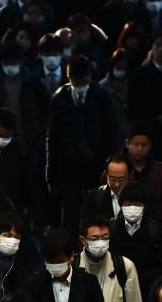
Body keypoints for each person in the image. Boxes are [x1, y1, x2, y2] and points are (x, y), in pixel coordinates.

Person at [47, 54, 119, 232]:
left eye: (82, 80)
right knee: (70, 219)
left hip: (97, 167)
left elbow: (112, 133)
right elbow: (52, 138)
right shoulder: (59, 99)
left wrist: (111, 166)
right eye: (75, 80)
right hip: (68, 169)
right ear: (68, 76)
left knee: (97, 215)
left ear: (89, 77)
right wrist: (51, 174)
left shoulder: (102, 97)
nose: (79, 84)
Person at [26, 229, 109, 302]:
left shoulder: (89, 282)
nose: (55, 265)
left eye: (59, 261)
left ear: (71, 257)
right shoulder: (34, 285)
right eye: (50, 261)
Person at [110, 181, 162, 298]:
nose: (132, 207)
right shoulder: (111, 229)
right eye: (128, 203)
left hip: (147, 292)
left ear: (145, 206)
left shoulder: (156, 231)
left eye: (137, 204)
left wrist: (144, 279)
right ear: (121, 205)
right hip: (115, 290)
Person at [75, 215, 143, 302]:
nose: (101, 242)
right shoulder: (73, 266)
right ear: (83, 240)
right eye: (95, 238)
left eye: (105, 237)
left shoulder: (124, 265)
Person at [124, 122, 162, 225]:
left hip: (155, 226)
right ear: (127, 143)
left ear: (150, 145)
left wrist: (156, 215)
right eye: (136, 144)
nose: (140, 149)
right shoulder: (118, 168)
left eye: (144, 145)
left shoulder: (161, 170)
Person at [80, 154, 133, 221]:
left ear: (130, 176)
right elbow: (85, 225)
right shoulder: (94, 196)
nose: (117, 185)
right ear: (106, 175)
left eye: (121, 180)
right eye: (112, 179)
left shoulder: (139, 197)